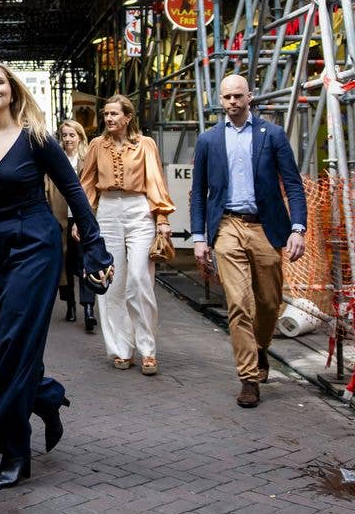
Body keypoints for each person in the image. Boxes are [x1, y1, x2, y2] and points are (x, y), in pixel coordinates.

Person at [0, 63, 113, 490]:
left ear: (12, 91)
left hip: (34, 245)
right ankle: (46, 396)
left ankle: (14, 451)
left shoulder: (35, 136)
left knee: (16, 346)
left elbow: (74, 190)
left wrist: (94, 247)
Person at [190, 74, 307, 408]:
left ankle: (259, 349)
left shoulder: (272, 135)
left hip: (266, 228)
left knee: (269, 303)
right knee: (239, 304)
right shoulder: (209, 140)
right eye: (227, 97)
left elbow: (294, 185)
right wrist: (200, 238)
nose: (233, 102)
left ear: (250, 97)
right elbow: (198, 193)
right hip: (227, 227)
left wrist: (297, 228)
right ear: (221, 100)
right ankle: (248, 378)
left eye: (238, 96)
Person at [79, 94, 174, 376]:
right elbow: (86, 185)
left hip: (139, 209)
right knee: (112, 283)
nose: (108, 118)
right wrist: (83, 222)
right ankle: (121, 349)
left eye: (114, 114)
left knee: (139, 280)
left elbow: (155, 180)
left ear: (128, 117)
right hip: (107, 211)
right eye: (106, 114)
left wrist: (162, 218)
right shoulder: (97, 145)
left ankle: (148, 350)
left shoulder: (145, 145)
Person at [46, 119, 96, 333]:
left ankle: (88, 309)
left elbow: (94, 189)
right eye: (64, 135)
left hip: (82, 218)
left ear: (80, 137)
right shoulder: (55, 160)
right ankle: (70, 304)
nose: (68, 139)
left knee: (86, 262)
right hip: (60, 218)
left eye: (72, 135)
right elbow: (46, 188)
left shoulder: (87, 160)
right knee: (64, 264)